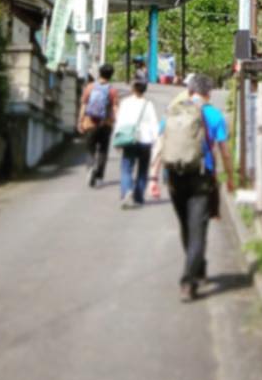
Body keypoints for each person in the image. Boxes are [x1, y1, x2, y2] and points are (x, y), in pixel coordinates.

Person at [149, 73, 235, 301]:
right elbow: (224, 152)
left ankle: (197, 267)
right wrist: (230, 177)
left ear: (190, 91)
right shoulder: (215, 115)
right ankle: (189, 280)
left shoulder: (174, 112)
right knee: (198, 229)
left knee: (186, 226)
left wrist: (152, 178)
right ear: (209, 93)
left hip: (174, 178)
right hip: (201, 178)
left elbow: (160, 145)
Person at [113, 73, 159, 207]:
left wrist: (117, 137)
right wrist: (156, 142)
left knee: (126, 167)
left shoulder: (125, 103)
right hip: (146, 140)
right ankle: (138, 197)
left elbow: (120, 121)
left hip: (129, 139)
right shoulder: (148, 104)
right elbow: (154, 124)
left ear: (133, 88)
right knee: (143, 170)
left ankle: (126, 191)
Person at [79, 63, 119, 187]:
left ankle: (90, 167)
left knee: (90, 149)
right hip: (105, 124)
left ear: (99, 73)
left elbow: (84, 105)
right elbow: (115, 108)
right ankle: (99, 177)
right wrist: (115, 122)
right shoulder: (112, 90)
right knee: (103, 151)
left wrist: (80, 121)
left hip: (90, 123)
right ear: (110, 75)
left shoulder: (90, 87)